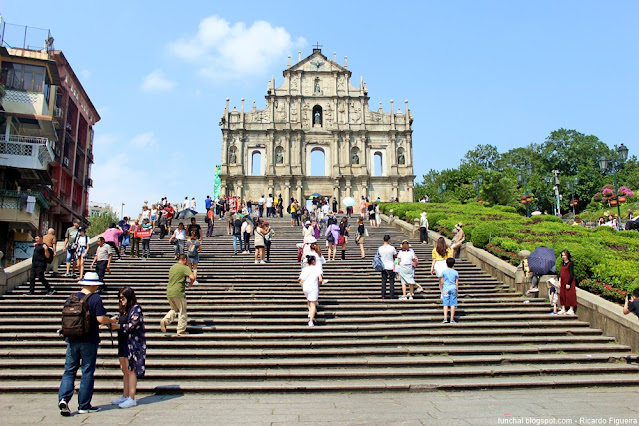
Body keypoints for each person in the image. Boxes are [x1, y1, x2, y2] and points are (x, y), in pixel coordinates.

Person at [57, 272, 118, 416]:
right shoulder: (95, 298)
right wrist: (111, 320)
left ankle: (64, 399)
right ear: (93, 285)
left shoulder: (70, 298)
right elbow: (100, 319)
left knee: (69, 371)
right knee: (87, 372)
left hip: (72, 339)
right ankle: (84, 405)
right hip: (89, 340)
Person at [110, 286, 146, 409]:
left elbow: (133, 325)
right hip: (123, 341)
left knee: (131, 370)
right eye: (119, 298)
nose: (121, 300)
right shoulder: (124, 310)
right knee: (124, 369)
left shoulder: (136, 309)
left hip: (133, 342)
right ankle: (125, 395)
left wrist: (118, 326)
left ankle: (131, 397)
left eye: (122, 297)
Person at [160, 255, 196, 337]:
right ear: (185, 259)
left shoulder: (172, 267)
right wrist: (190, 284)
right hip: (178, 292)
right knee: (182, 311)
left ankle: (165, 320)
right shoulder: (184, 267)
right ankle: (181, 330)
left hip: (169, 291)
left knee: (174, 309)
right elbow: (192, 277)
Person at [299, 254, 323, 327]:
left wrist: (302, 285)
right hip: (313, 287)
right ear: (313, 261)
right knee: (313, 304)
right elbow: (320, 279)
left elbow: (301, 279)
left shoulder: (305, 269)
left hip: (306, 287)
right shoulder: (316, 269)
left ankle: (310, 313)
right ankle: (311, 321)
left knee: (309, 301)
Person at [440, 257, 459, 323]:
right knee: (453, 304)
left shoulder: (444, 272)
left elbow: (442, 281)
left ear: (446, 263)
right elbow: (456, 283)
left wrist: (442, 288)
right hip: (453, 288)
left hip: (446, 288)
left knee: (445, 303)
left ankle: (445, 318)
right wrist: (457, 291)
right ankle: (452, 319)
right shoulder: (455, 272)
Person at [558, 250, 577, 315]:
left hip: (568, 281)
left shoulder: (570, 263)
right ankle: (563, 308)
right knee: (562, 294)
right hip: (563, 281)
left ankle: (571, 309)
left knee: (570, 295)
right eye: (562, 255)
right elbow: (561, 273)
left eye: (565, 255)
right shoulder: (562, 263)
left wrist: (569, 283)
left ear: (567, 256)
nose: (563, 257)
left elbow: (571, 274)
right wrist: (559, 281)